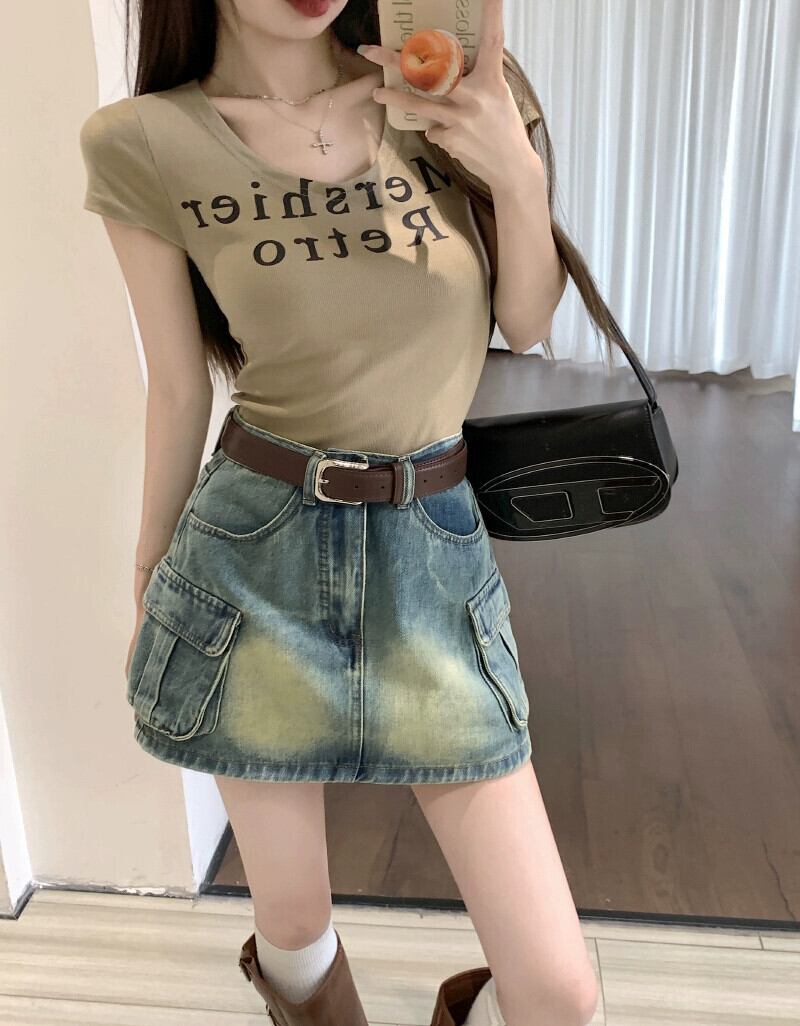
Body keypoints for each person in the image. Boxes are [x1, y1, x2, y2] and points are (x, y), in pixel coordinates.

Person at [79, 1, 603, 1024]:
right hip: (252, 558)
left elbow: (526, 319)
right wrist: (147, 577)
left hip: (432, 554)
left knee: (558, 990)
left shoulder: (441, 96)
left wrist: (516, 172)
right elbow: (177, 387)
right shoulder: (144, 140)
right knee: (295, 926)